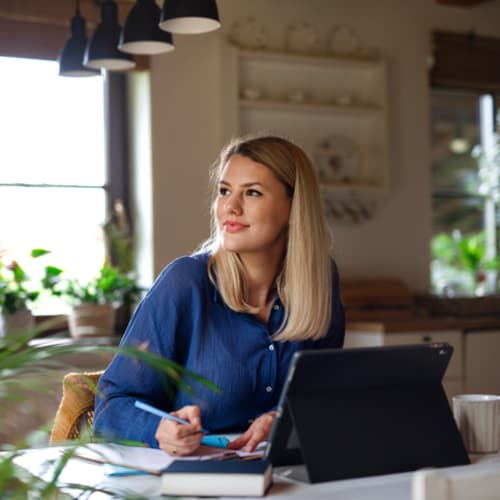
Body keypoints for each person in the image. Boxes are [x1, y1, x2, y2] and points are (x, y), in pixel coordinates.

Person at [93, 134, 345, 456]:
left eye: (252, 192)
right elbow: (110, 408)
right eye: (224, 191)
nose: (230, 207)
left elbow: (326, 397)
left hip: (286, 480)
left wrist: (281, 418)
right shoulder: (185, 283)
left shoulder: (320, 282)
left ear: (294, 207)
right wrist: (159, 429)